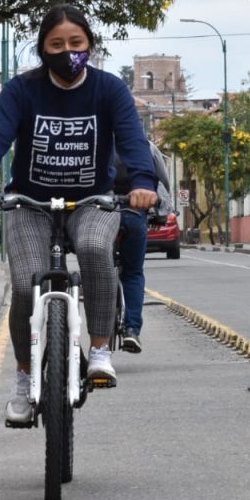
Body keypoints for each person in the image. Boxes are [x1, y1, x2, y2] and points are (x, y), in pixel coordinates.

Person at [0, 4, 157, 425]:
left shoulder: (110, 90)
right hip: (29, 202)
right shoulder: (22, 91)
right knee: (26, 285)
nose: (67, 52)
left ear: (90, 46)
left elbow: (133, 141)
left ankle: (99, 350)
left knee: (97, 249)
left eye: (76, 43)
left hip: (91, 201)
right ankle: (24, 380)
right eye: (56, 44)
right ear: (43, 49)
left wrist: (144, 184)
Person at [113, 140, 173, 354]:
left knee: (95, 271)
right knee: (133, 273)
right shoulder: (145, 145)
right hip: (133, 214)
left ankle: (96, 341)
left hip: (100, 213)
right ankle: (132, 329)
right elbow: (162, 182)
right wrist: (162, 211)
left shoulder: (92, 137)